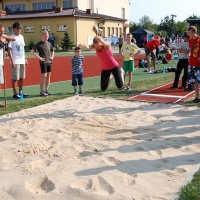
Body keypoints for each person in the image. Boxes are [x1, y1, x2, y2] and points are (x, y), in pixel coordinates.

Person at [8, 22, 29, 99]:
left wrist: (25, 58)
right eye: (17, 28)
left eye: (20, 28)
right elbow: (9, 50)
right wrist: (12, 61)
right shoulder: (11, 37)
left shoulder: (21, 37)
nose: (19, 30)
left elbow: (23, 49)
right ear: (14, 29)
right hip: (15, 61)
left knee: (21, 77)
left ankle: (21, 92)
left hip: (22, 60)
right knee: (15, 78)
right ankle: (15, 93)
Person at [31, 31, 54, 96]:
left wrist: (52, 57)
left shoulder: (49, 43)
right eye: (45, 36)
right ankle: (41, 91)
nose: (46, 37)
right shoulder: (39, 44)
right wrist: (39, 58)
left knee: (48, 76)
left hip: (49, 61)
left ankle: (46, 90)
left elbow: (52, 51)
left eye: (47, 36)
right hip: (43, 62)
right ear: (42, 36)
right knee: (44, 76)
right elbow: (32, 51)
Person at [0, 24, 15, 107]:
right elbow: (1, 41)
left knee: (0, 82)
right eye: (0, 31)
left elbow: (13, 38)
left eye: (3, 31)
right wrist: (4, 39)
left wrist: (5, 37)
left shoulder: (3, 36)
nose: (2, 32)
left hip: (0, 62)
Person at [187, 26, 200, 103]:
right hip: (191, 63)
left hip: (198, 64)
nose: (189, 35)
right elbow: (191, 50)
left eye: (190, 33)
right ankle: (197, 97)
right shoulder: (190, 40)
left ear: (195, 32)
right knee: (194, 80)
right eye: (188, 34)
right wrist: (189, 54)